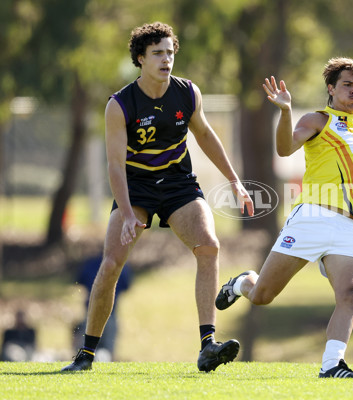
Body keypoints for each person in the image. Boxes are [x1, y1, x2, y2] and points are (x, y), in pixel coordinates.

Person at [61, 22, 254, 372]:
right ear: (140, 59)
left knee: (209, 245)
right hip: (135, 188)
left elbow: (207, 136)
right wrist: (127, 212)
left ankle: (208, 345)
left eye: (170, 52)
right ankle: (86, 354)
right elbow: (116, 166)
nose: (166, 59)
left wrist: (234, 181)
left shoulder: (187, 93)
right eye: (158, 54)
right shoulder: (120, 105)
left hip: (178, 184)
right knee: (111, 264)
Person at [215, 57, 353, 378]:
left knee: (352, 292)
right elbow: (284, 149)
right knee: (263, 296)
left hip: (351, 225)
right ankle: (242, 283)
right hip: (312, 218)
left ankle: (332, 365)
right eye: (348, 85)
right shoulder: (318, 119)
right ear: (331, 89)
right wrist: (284, 111)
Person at [72, 253, 132, 361]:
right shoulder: (121, 266)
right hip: (110, 315)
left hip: (91, 316)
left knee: (87, 350)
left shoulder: (90, 264)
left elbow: (79, 281)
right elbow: (126, 285)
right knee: (108, 351)